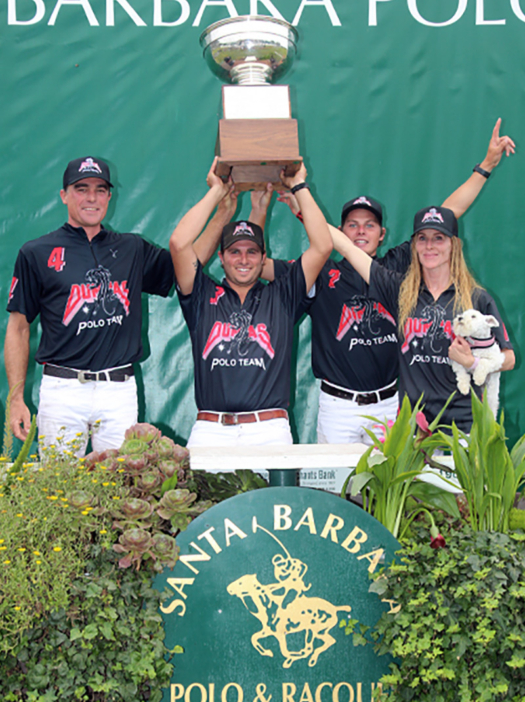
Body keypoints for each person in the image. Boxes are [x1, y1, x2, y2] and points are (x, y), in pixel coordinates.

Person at [250, 119, 515, 443]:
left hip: (391, 403)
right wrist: (272, 210)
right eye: (352, 224)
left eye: (370, 225)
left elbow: (447, 214)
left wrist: (485, 166)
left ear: (382, 234)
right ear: (341, 230)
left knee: (390, 491)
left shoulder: (397, 270)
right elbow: (254, 266)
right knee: (337, 492)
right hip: (337, 404)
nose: (360, 231)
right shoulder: (320, 270)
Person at [4, 155, 224, 455]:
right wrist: (16, 398)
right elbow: (18, 329)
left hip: (117, 389)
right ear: (64, 195)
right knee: (60, 487)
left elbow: (188, 263)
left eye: (100, 189)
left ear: (110, 196)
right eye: (81, 188)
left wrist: (224, 211)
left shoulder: (132, 248)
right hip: (63, 389)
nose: (91, 197)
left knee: (122, 488)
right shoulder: (36, 253)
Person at [170, 158, 332, 447]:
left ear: (263, 257)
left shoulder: (282, 295)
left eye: (252, 252)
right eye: (234, 252)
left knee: (275, 496)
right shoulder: (202, 295)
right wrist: (216, 193)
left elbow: (322, 247)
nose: (243, 260)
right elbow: (179, 244)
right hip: (211, 430)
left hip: (269, 429)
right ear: (221, 257)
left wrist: (300, 186)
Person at [327, 203, 515, 432]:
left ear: (454, 244)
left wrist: (472, 363)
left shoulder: (476, 299)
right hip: (416, 427)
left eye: (439, 238)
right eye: (422, 238)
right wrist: (300, 192)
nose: (429, 246)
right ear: (414, 245)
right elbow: (347, 248)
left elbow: (509, 358)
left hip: (466, 424)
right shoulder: (399, 289)